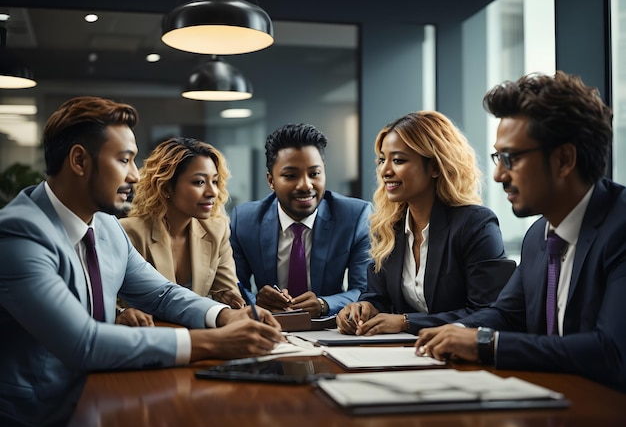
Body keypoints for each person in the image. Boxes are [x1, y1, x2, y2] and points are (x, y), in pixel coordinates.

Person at [0, 96, 283, 427]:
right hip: (35, 424)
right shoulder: (17, 232)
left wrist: (224, 316)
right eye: (124, 160)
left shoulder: (106, 226)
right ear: (79, 161)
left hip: (101, 399)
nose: (135, 175)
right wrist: (214, 342)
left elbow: (162, 293)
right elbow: (84, 343)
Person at [415, 71, 626, 393]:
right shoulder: (538, 236)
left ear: (563, 160)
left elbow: (611, 352)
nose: (498, 174)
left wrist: (487, 344)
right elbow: (506, 315)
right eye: (498, 157)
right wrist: (455, 331)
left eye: (510, 158)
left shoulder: (620, 228)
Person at [336, 111, 514, 336]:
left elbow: (489, 311)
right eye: (382, 160)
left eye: (398, 160)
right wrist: (363, 309)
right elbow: (378, 297)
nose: (385, 171)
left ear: (435, 167)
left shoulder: (476, 224)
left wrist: (407, 322)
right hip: (403, 355)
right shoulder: (388, 227)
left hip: (461, 357)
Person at [230, 123, 372, 318]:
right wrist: (258, 303)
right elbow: (233, 288)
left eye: (314, 174)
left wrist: (324, 304)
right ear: (271, 181)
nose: (305, 185)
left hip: (330, 328)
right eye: (290, 176)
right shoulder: (245, 220)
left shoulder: (354, 216)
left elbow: (365, 290)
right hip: (269, 327)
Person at [118, 137, 244, 326]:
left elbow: (229, 296)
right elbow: (110, 303)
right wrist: (121, 313)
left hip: (202, 338)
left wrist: (231, 301)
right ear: (167, 186)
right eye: (200, 182)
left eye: (215, 181)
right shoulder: (128, 232)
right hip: (147, 338)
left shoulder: (216, 231)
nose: (213, 192)